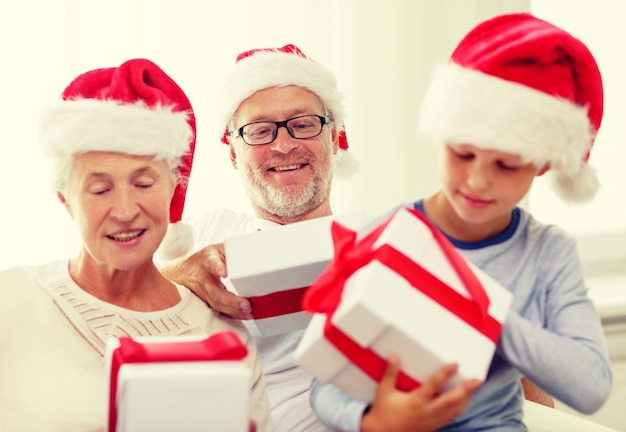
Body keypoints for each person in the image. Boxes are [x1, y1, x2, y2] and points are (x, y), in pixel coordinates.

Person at [308, 12, 613, 431]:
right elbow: (324, 380)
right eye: (463, 154)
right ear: (441, 135)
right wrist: (370, 421)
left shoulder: (547, 252)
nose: (477, 181)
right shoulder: (382, 236)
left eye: (506, 165)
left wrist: (480, 314)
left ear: (542, 166)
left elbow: (591, 386)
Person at [0, 58, 271, 432]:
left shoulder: (220, 337)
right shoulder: (11, 298)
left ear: (173, 190)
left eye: (144, 184)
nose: (126, 211)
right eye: (100, 189)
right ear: (66, 200)